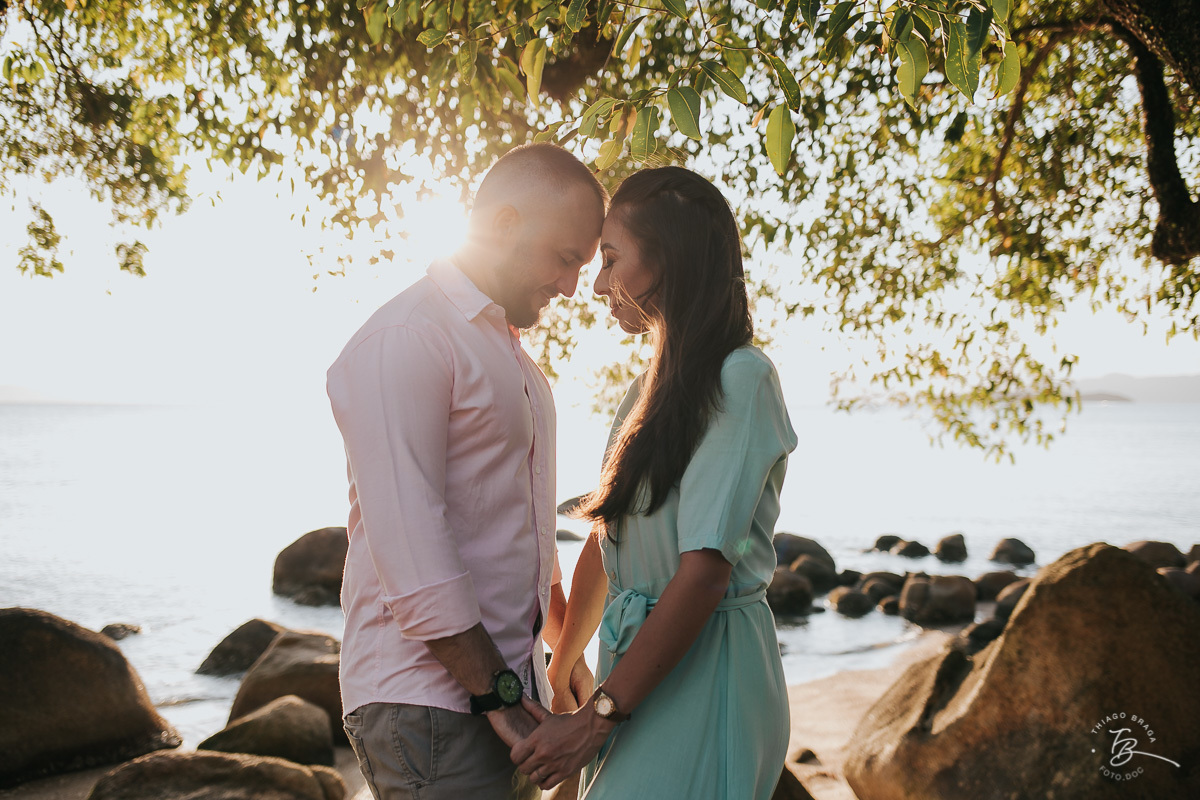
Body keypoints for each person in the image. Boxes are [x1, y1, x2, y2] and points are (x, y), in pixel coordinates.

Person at [326, 143, 605, 800]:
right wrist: (501, 699)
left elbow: (524, 541)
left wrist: (560, 668)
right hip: (431, 703)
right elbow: (411, 547)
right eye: (565, 259)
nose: (571, 286)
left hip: (501, 700)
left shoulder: (512, 361)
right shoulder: (409, 337)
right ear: (505, 226)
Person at [512, 166, 797, 799]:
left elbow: (703, 574)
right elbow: (605, 545)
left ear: (668, 262)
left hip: (707, 674)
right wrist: (564, 670)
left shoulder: (742, 380)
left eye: (611, 260)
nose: (598, 284)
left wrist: (596, 720)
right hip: (633, 676)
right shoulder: (642, 395)